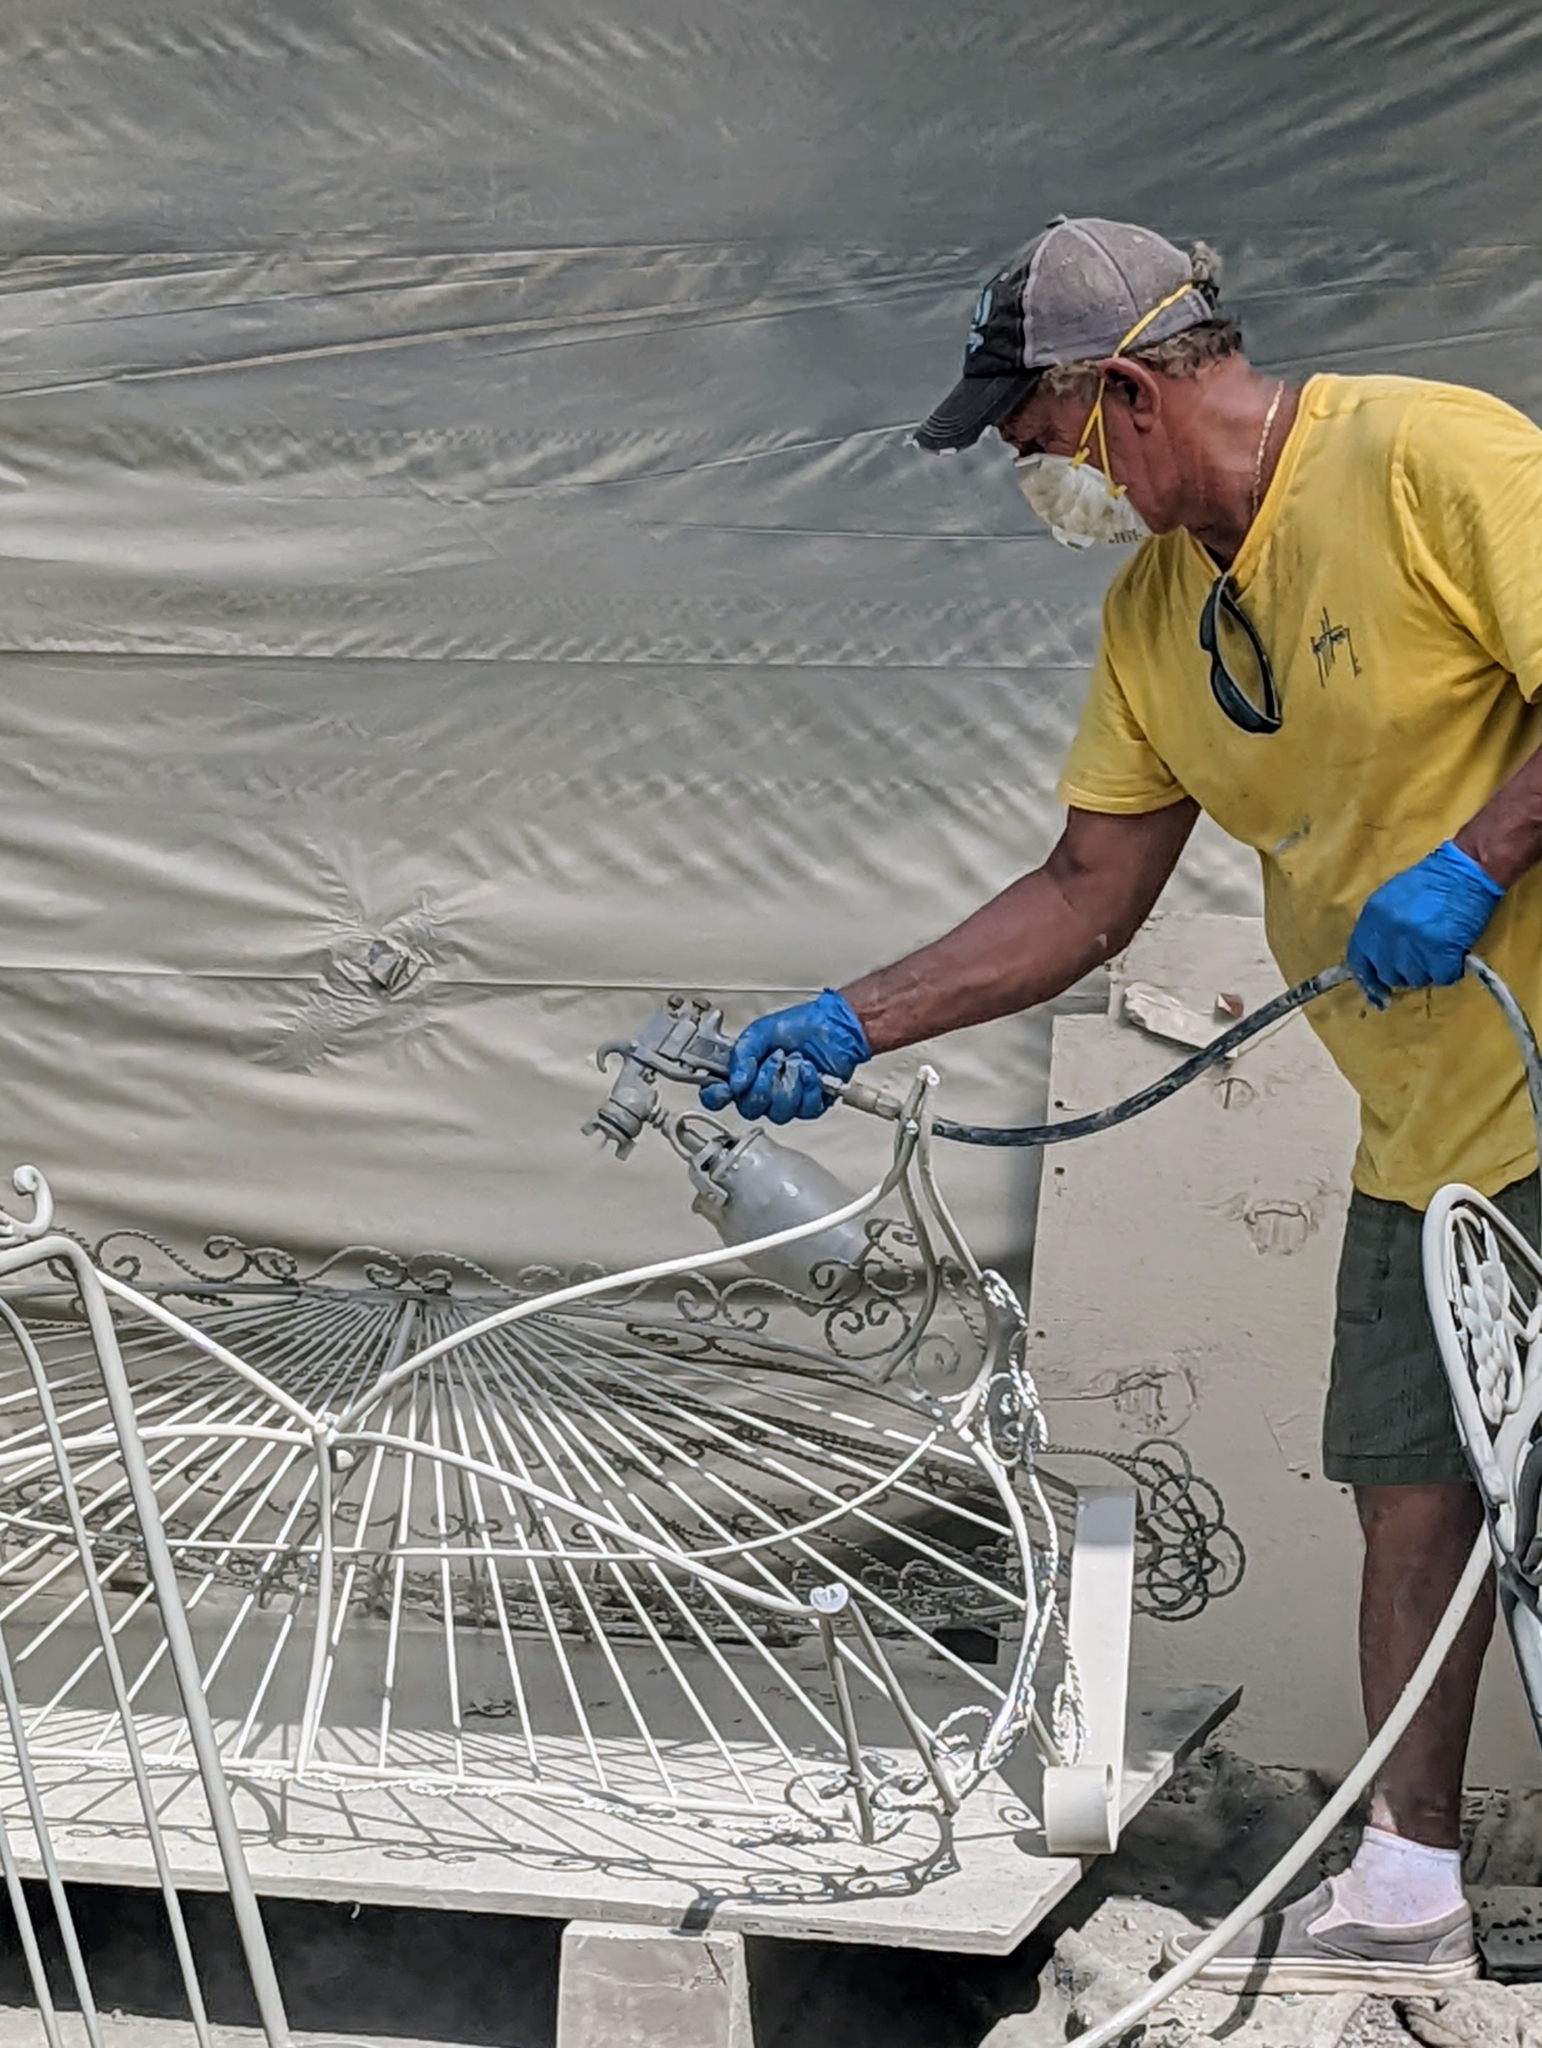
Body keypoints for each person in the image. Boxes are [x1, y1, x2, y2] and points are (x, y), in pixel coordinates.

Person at [702, 216, 1542, 1995]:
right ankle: (1403, 1886)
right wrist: (855, 1020)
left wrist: (1476, 859)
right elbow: (1089, 889)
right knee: (1405, 1487)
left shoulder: (1430, 457)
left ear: (1132, 392)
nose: (1044, 485)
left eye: (1043, 444)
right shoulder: (1157, 613)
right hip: (1426, 1130)